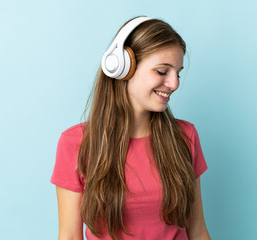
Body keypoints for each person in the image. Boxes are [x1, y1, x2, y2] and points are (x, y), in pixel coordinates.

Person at [51, 16, 211, 240]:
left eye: (178, 73)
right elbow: (69, 236)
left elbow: (198, 232)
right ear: (123, 68)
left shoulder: (185, 137)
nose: (174, 84)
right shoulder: (75, 143)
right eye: (162, 71)